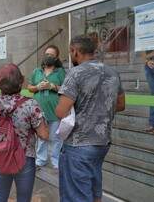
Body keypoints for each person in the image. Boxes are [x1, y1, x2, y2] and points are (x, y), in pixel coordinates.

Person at [55, 35, 125, 202]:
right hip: (102, 143)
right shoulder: (112, 72)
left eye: (71, 52)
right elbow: (121, 105)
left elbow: (61, 111)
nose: (71, 55)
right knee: (94, 191)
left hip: (78, 145)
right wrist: (99, 109)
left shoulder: (75, 73)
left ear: (76, 51)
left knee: (76, 195)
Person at [0, 63, 49, 202]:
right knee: (23, 198)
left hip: (1, 154)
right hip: (24, 157)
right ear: (21, 81)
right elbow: (44, 135)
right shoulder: (30, 105)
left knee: (1, 195)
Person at [28, 45, 65, 170]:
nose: (48, 56)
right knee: (41, 137)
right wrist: (37, 87)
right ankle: (41, 160)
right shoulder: (36, 71)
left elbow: (66, 89)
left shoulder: (60, 72)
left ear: (56, 58)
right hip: (39, 112)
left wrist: (53, 86)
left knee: (56, 138)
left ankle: (56, 161)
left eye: (52, 55)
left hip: (55, 111)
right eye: (47, 54)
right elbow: (29, 87)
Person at [142, 49, 154, 135]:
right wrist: (147, 60)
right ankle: (153, 123)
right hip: (149, 64)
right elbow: (142, 51)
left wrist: (149, 56)